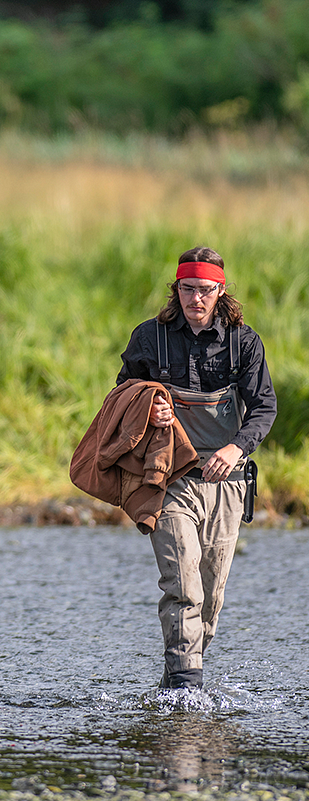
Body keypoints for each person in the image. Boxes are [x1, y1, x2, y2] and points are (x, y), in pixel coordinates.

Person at [116, 247, 276, 691]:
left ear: (220, 291)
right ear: (177, 289)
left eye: (205, 290)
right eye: (187, 289)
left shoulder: (244, 342)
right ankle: (189, 690)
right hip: (170, 479)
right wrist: (150, 410)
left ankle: (178, 680)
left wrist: (237, 448)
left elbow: (264, 406)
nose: (196, 299)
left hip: (226, 483)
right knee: (183, 584)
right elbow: (122, 396)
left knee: (210, 598)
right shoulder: (150, 337)